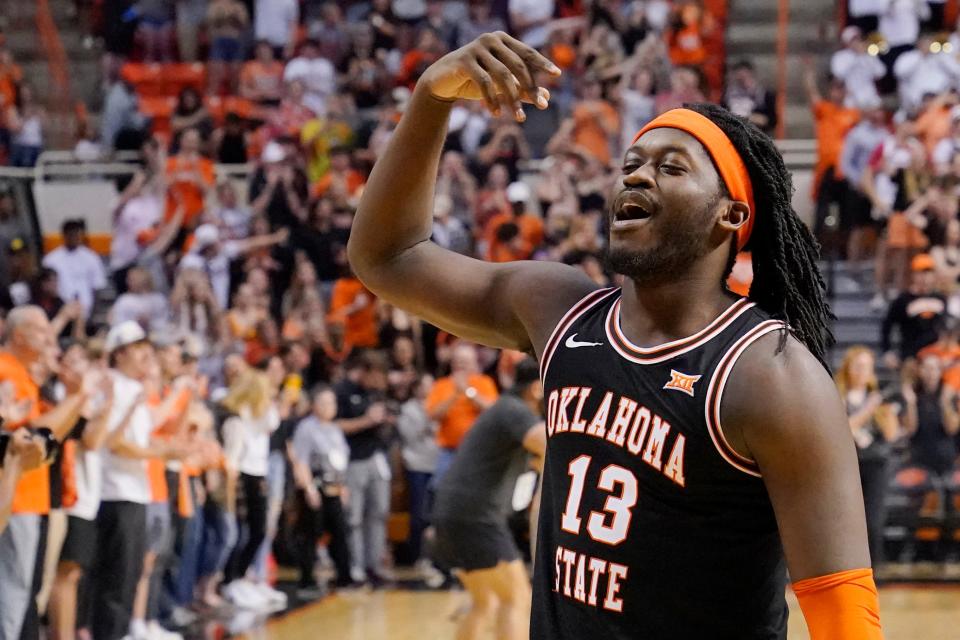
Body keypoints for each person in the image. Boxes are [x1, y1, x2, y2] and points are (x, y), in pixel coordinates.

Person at [349, 33, 882, 638]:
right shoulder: (559, 309)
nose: (637, 177)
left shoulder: (770, 375)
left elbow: (844, 611)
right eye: (630, 164)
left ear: (731, 214)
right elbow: (387, 257)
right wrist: (431, 98)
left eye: (670, 167)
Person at [432, 357, 546, 640]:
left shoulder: (504, 410)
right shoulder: (515, 411)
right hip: (476, 516)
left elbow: (535, 460)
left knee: (487, 603)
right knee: (517, 598)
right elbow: (549, 443)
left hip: (453, 513)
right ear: (536, 388)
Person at [835, 347, 899, 570]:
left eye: (867, 366)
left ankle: (876, 569)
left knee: (873, 519)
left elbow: (892, 435)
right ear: (848, 368)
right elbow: (842, 429)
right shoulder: (837, 395)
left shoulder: (878, 398)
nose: (863, 371)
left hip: (876, 465)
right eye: (858, 366)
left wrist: (887, 412)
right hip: (847, 465)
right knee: (847, 521)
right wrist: (867, 410)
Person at [333, 352, 393, 586]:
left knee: (379, 512)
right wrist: (366, 421)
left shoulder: (375, 393)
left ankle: (374, 564)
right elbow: (334, 425)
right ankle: (355, 566)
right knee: (354, 516)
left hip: (376, 457)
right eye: (377, 376)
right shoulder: (342, 391)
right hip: (353, 459)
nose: (380, 383)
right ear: (365, 371)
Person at [290, 385, 352, 592]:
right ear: (314, 406)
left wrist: (343, 486)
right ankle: (307, 578)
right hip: (316, 486)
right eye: (323, 403)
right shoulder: (306, 428)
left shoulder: (334, 429)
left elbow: (340, 460)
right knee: (311, 533)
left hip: (334, 486)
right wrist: (308, 488)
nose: (328, 407)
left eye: (331, 403)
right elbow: (301, 460)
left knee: (340, 532)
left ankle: (344, 576)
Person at [425, 343, 498, 483]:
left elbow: (493, 410)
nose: (460, 365)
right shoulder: (442, 384)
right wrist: (454, 396)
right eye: (457, 361)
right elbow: (432, 415)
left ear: (473, 363)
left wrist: (468, 392)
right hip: (449, 451)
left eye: (464, 362)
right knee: (441, 490)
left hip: (478, 451)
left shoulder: (484, 382)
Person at [881, 253, 946, 370]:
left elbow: (947, 328)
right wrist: (887, 352)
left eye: (928, 273)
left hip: (936, 354)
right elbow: (887, 326)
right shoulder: (903, 300)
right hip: (911, 355)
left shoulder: (940, 298)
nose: (925, 277)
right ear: (913, 275)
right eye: (921, 273)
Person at [42, 219, 107, 321]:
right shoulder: (51, 260)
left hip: (86, 311)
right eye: (71, 234)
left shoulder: (91, 257)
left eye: (77, 234)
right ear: (64, 235)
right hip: (60, 312)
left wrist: (93, 314)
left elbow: (97, 287)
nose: (74, 237)